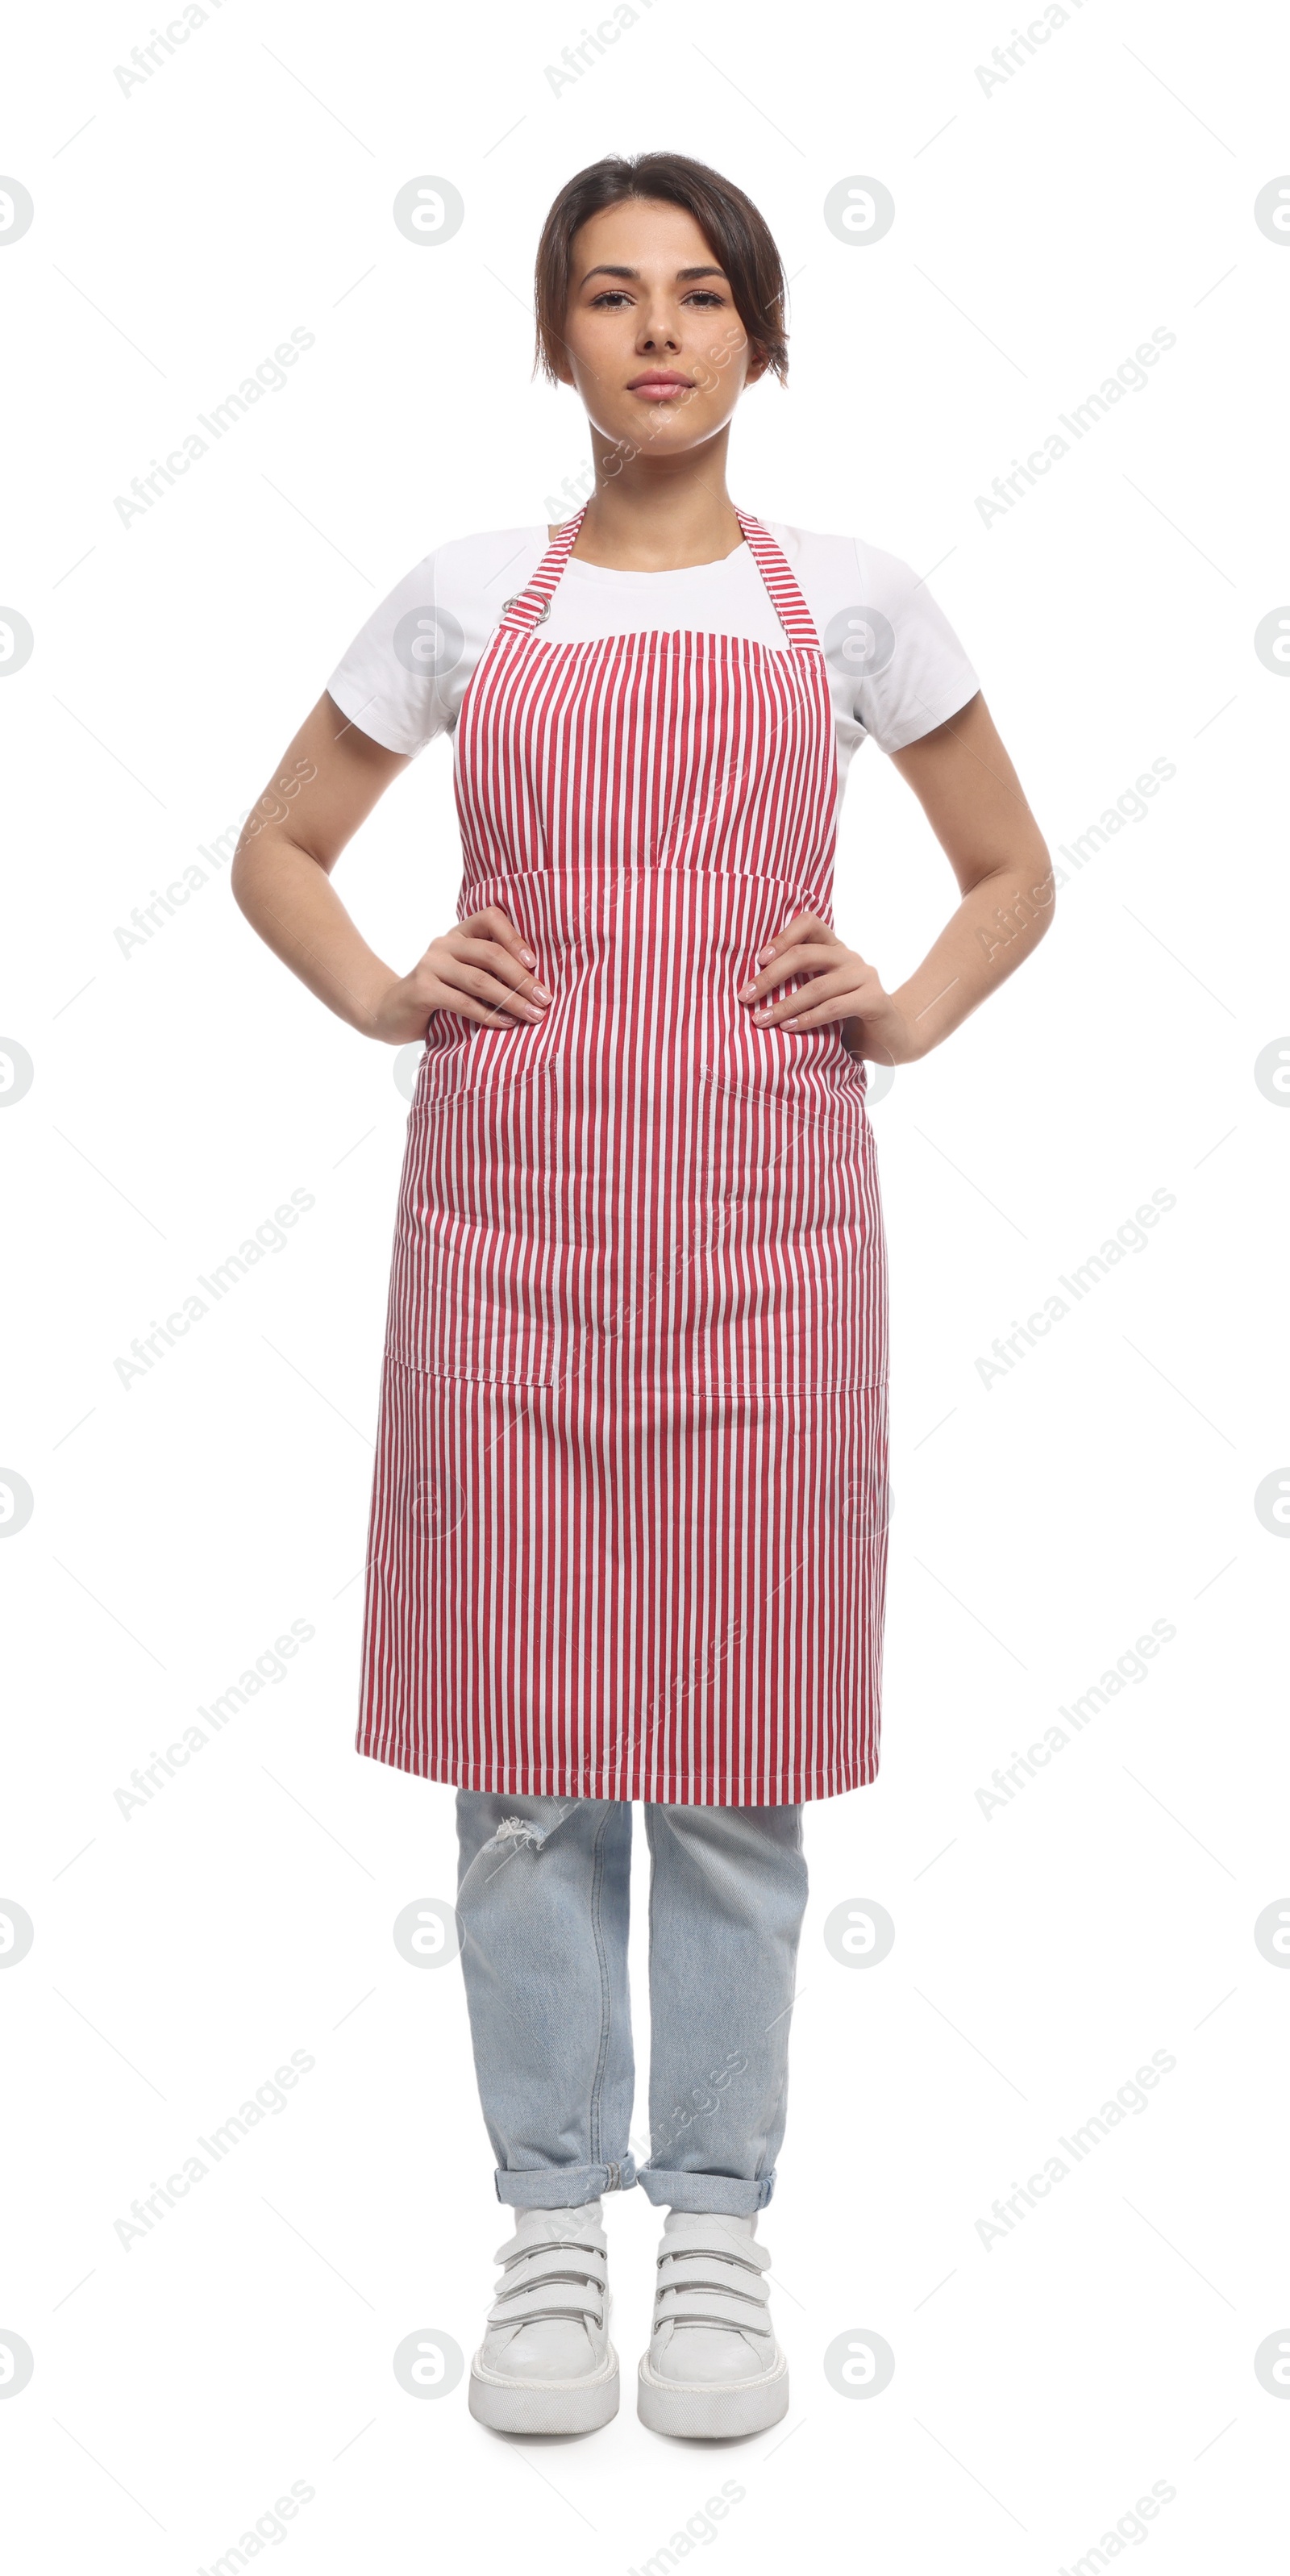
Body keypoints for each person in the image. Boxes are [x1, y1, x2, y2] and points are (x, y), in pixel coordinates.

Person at [231, 148, 1053, 2443]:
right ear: (556, 339)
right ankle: (543, 2232)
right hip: (503, 1232)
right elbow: (275, 845)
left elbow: (1011, 870)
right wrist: (394, 987)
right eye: (611, 296)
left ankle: (714, 2224)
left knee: (731, 1762)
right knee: (516, 1769)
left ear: (761, 339)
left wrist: (905, 1008)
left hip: (771, 1244)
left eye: (700, 296)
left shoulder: (859, 604)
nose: (658, 331)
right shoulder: (461, 596)